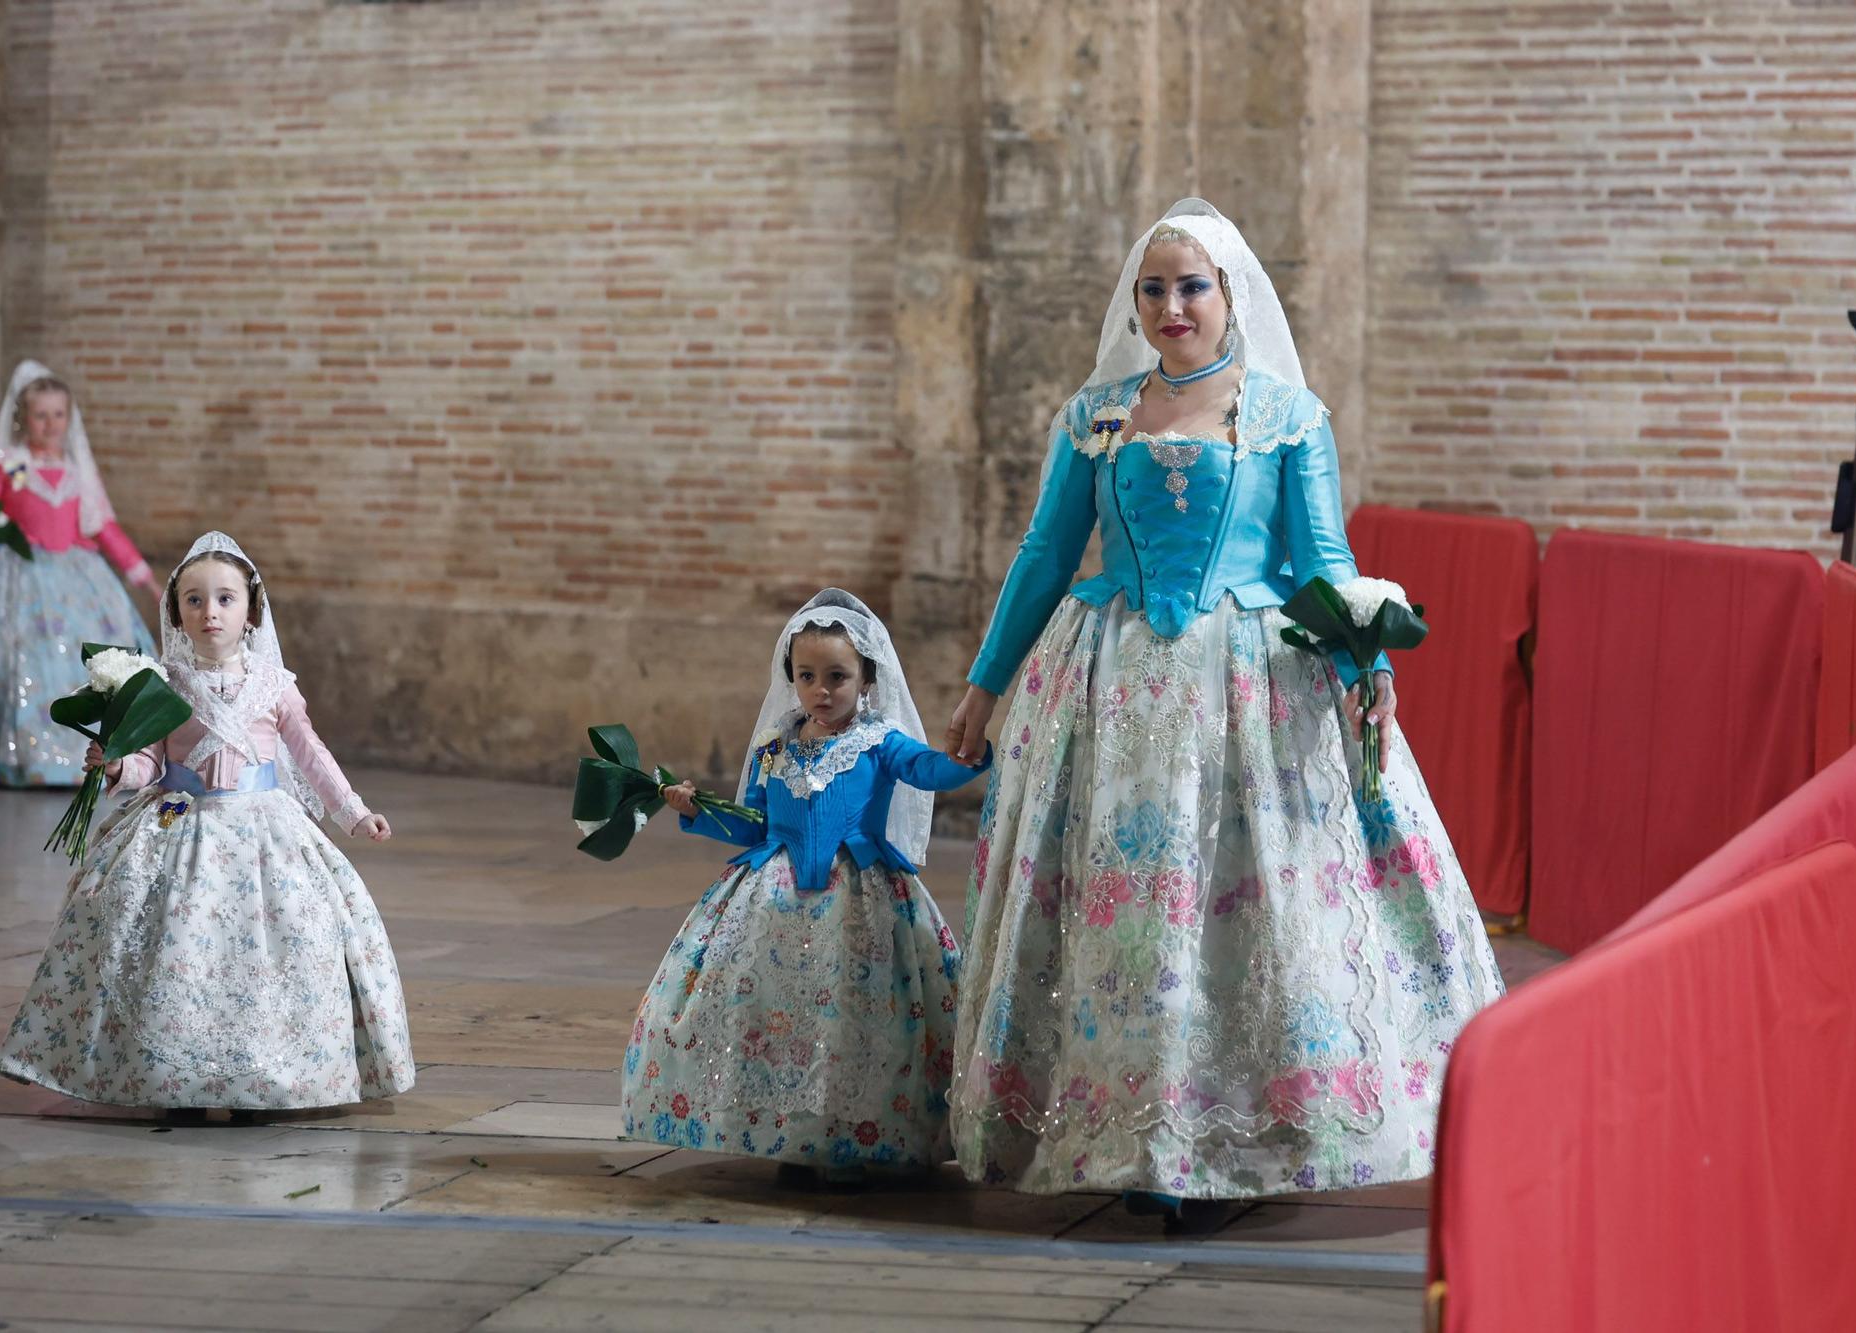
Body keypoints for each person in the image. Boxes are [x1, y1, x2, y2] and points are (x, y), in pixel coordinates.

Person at [942, 199, 1505, 1230]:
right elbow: (1041, 556)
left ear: (1228, 296)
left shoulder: (1287, 416)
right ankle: (1125, 1132)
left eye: (1190, 286)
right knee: (1123, 914)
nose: (1170, 306)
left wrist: (1359, 649)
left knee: (1238, 909)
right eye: (1152, 288)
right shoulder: (1094, 415)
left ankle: (1233, 1139)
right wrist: (985, 681)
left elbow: (1316, 562)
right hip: (1108, 692)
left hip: (1245, 691)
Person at [0, 532, 414, 1113]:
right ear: (176, 613)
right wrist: (119, 765)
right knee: (166, 940)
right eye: (193, 600)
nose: (209, 612)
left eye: (224, 599)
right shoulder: (164, 683)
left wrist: (355, 813)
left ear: (250, 612)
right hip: (180, 819)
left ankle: (263, 1079)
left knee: (287, 936)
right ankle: (173, 1077)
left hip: (263, 826)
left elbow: (312, 754)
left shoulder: (275, 686)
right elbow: (152, 760)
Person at [622, 589, 989, 1183]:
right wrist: (693, 809)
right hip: (774, 901)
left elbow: (928, 770)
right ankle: (788, 1134)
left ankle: (856, 1134)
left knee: (853, 1015)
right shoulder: (774, 748)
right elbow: (756, 822)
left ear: (867, 678)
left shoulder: (880, 742)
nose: (821, 690)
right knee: (778, 1016)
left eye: (838, 676)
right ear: (790, 677)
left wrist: (967, 756)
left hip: (861, 902)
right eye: (807, 675)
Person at [0, 361, 157, 786]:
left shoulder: (78, 471)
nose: (49, 424)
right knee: (16, 655)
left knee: (85, 658)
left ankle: (94, 756)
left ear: (69, 417)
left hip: (76, 578)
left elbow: (103, 526)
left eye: (57, 414)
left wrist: (143, 576)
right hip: (15, 577)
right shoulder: (10, 466)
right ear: (22, 418)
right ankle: (20, 753)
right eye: (40, 414)